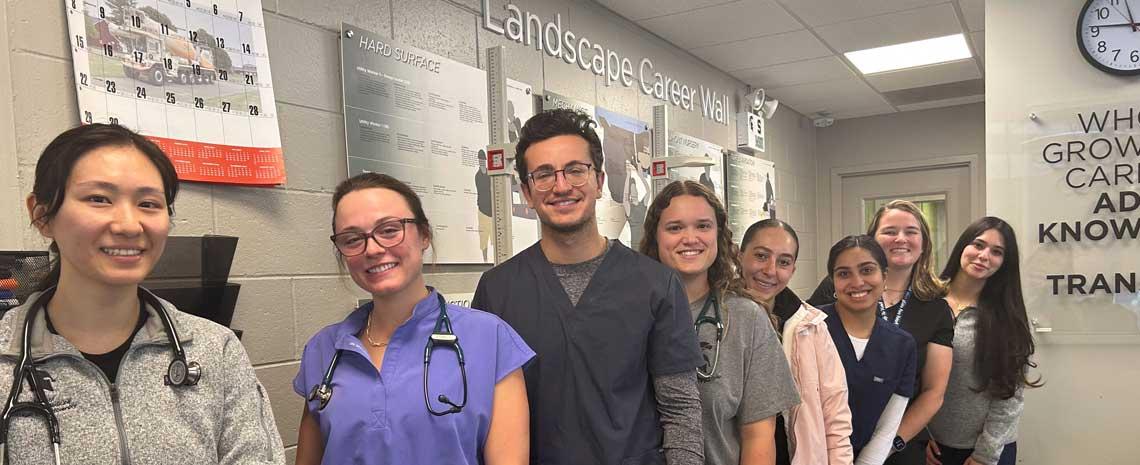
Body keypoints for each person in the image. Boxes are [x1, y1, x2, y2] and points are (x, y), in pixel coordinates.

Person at [5, 123, 284, 464]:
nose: (128, 225)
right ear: (41, 214)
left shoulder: (216, 350)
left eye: (149, 203)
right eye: (99, 199)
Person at [471, 109, 704, 465]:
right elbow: (481, 412)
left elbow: (681, 411)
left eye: (576, 170)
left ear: (598, 181)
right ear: (527, 193)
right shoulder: (497, 290)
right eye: (544, 175)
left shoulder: (655, 284)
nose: (562, 186)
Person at [293, 173, 534, 465]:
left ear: (424, 235)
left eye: (390, 230)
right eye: (352, 239)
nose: (372, 249)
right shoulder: (323, 350)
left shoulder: (490, 339)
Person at [639, 181, 799, 465]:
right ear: (655, 237)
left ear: (719, 236)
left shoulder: (746, 319)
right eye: (675, 228)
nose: (690, 238)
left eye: (703, 226)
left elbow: (758, 437)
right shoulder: (629, 313)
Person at [808, 201, 953, 463]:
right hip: (824, 444)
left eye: (911, 231)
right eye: (889, 231)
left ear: (924, 242)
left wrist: (889, 445)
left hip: (899, 443)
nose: (900, 238)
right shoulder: (836, 289)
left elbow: (933, 391)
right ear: (872, 239)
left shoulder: (936, 309)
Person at [926, 217, 1042, 465]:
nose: (984, 255)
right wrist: (918, 435)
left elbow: (1010, 396)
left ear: (1004, 263)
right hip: (931, 448)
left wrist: (985, 454)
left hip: (986, 452)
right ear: (963, 247)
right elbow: (908, 377)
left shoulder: (1008, 319)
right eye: (978, 245)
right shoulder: (926, 302)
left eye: (997, 252)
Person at [739, 219, 854, 465]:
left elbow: (836, 416)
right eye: (761, 256)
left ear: (792, 269)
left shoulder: (811, 327)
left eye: (783, 262)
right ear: (740, 256)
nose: (770, 270)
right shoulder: (719, 319)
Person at [820, 235, 917, 465]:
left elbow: (887, 426)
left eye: (867, 270)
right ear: (832, 281)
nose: (857, 282)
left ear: (884, 276)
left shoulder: (902, 346)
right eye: (844, 273)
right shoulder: (809, 328)